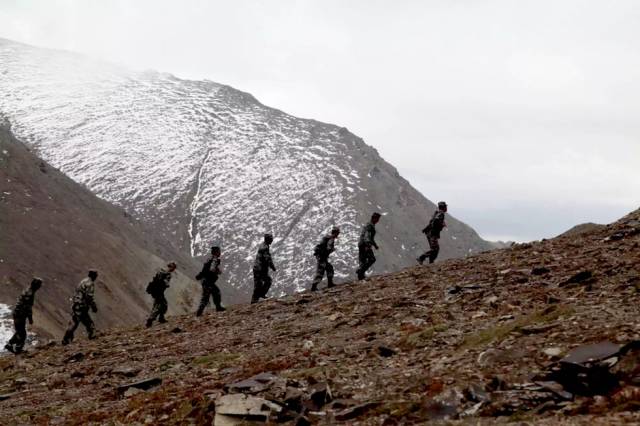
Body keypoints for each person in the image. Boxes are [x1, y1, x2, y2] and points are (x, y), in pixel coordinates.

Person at [4, 278, 43, 354]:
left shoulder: (28, 290)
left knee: (19, 331)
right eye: (39, 285)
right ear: (36, 285)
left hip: (18, 314)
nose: (40, 287)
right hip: (20, 315)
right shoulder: (30, 293)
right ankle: (18, 349)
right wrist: (30, 319)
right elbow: (27, 308)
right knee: (22, 334)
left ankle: (10, 344)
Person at [62, 270, 99, 345]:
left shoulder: (83, 281)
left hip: (76, 304)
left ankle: (66, 339)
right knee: (88, 323)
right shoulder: (90, 284)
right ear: (93, 275)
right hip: (82, 306)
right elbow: (89, 297)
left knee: (75, 322)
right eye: (96, 275)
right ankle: (92, 336)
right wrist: (93, 306)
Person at [196, 247, 226, 316]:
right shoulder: (215, 259)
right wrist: (218, 271)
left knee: (215, 292)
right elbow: (212, 269)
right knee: (206, 297)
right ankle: (199, 313)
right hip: (208, 281)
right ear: (216, 252)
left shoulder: (209, 259)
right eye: (219, 251)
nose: (220, 253)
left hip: (206, 281)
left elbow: (205, 269)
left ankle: (218, 307)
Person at [146, 262, 177, 327]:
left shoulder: (161, 270)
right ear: (171, 267)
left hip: (155, 291)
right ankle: (151, 319)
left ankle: (160, 318)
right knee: (163, 305)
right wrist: (167, 284)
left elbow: (155, 279)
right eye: (173, 268)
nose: (174, 269)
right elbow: (165, 283)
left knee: (157, 304)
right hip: (159, 291)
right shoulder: (167, 274)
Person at [310, 227, 340, 291]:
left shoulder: (328, 238)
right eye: (337, 233)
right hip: (322, 257)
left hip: (322, 257)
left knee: (329, 268)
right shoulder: (331, 239)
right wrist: (331, 249)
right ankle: (314, 286)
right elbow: (328, 247)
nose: (338, 235)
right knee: (320, 271)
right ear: (336, 233)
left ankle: (330, 283)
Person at [251, 233, 276, 303]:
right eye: (271, 238)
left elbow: (268, 258)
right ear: (268, 239)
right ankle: (254, 301)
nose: (272, 240)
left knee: (268, 281)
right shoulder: (264, 247)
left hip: (261, 269)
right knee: (258, 285)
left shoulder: (265, 246)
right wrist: (272, 267)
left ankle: (261, 294)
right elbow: (267, 259)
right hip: (259, 269)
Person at [356, 213, 381, 280]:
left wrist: (375, 245)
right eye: (377, 219)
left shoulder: (370, 225)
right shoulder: (370, 226)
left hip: (362, 244)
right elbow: (367, 236)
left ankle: (360, 275)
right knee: (372, 259)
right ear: (374, 218)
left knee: (363, 260)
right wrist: (367, 245)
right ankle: (360, 271)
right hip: (365, 244)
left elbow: (371, 238)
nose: (378, 221)